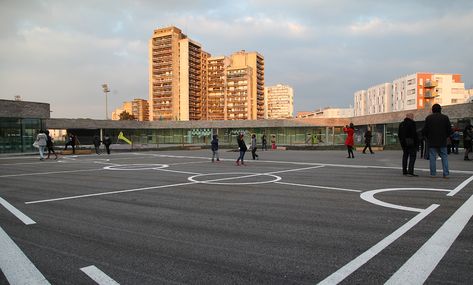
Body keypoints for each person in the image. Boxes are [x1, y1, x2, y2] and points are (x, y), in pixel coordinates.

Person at [422, 104, 452, 178]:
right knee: (444, 157)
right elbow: (449, 130)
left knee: (432, 157)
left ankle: (433, 174)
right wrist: (446, 136)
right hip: (442, 140)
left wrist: (427, 137)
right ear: (440, 109)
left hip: (432, 141)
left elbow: (425, 129)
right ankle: (446, 174)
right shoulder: (445, 118)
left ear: (432, 110)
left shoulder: (429, 118)